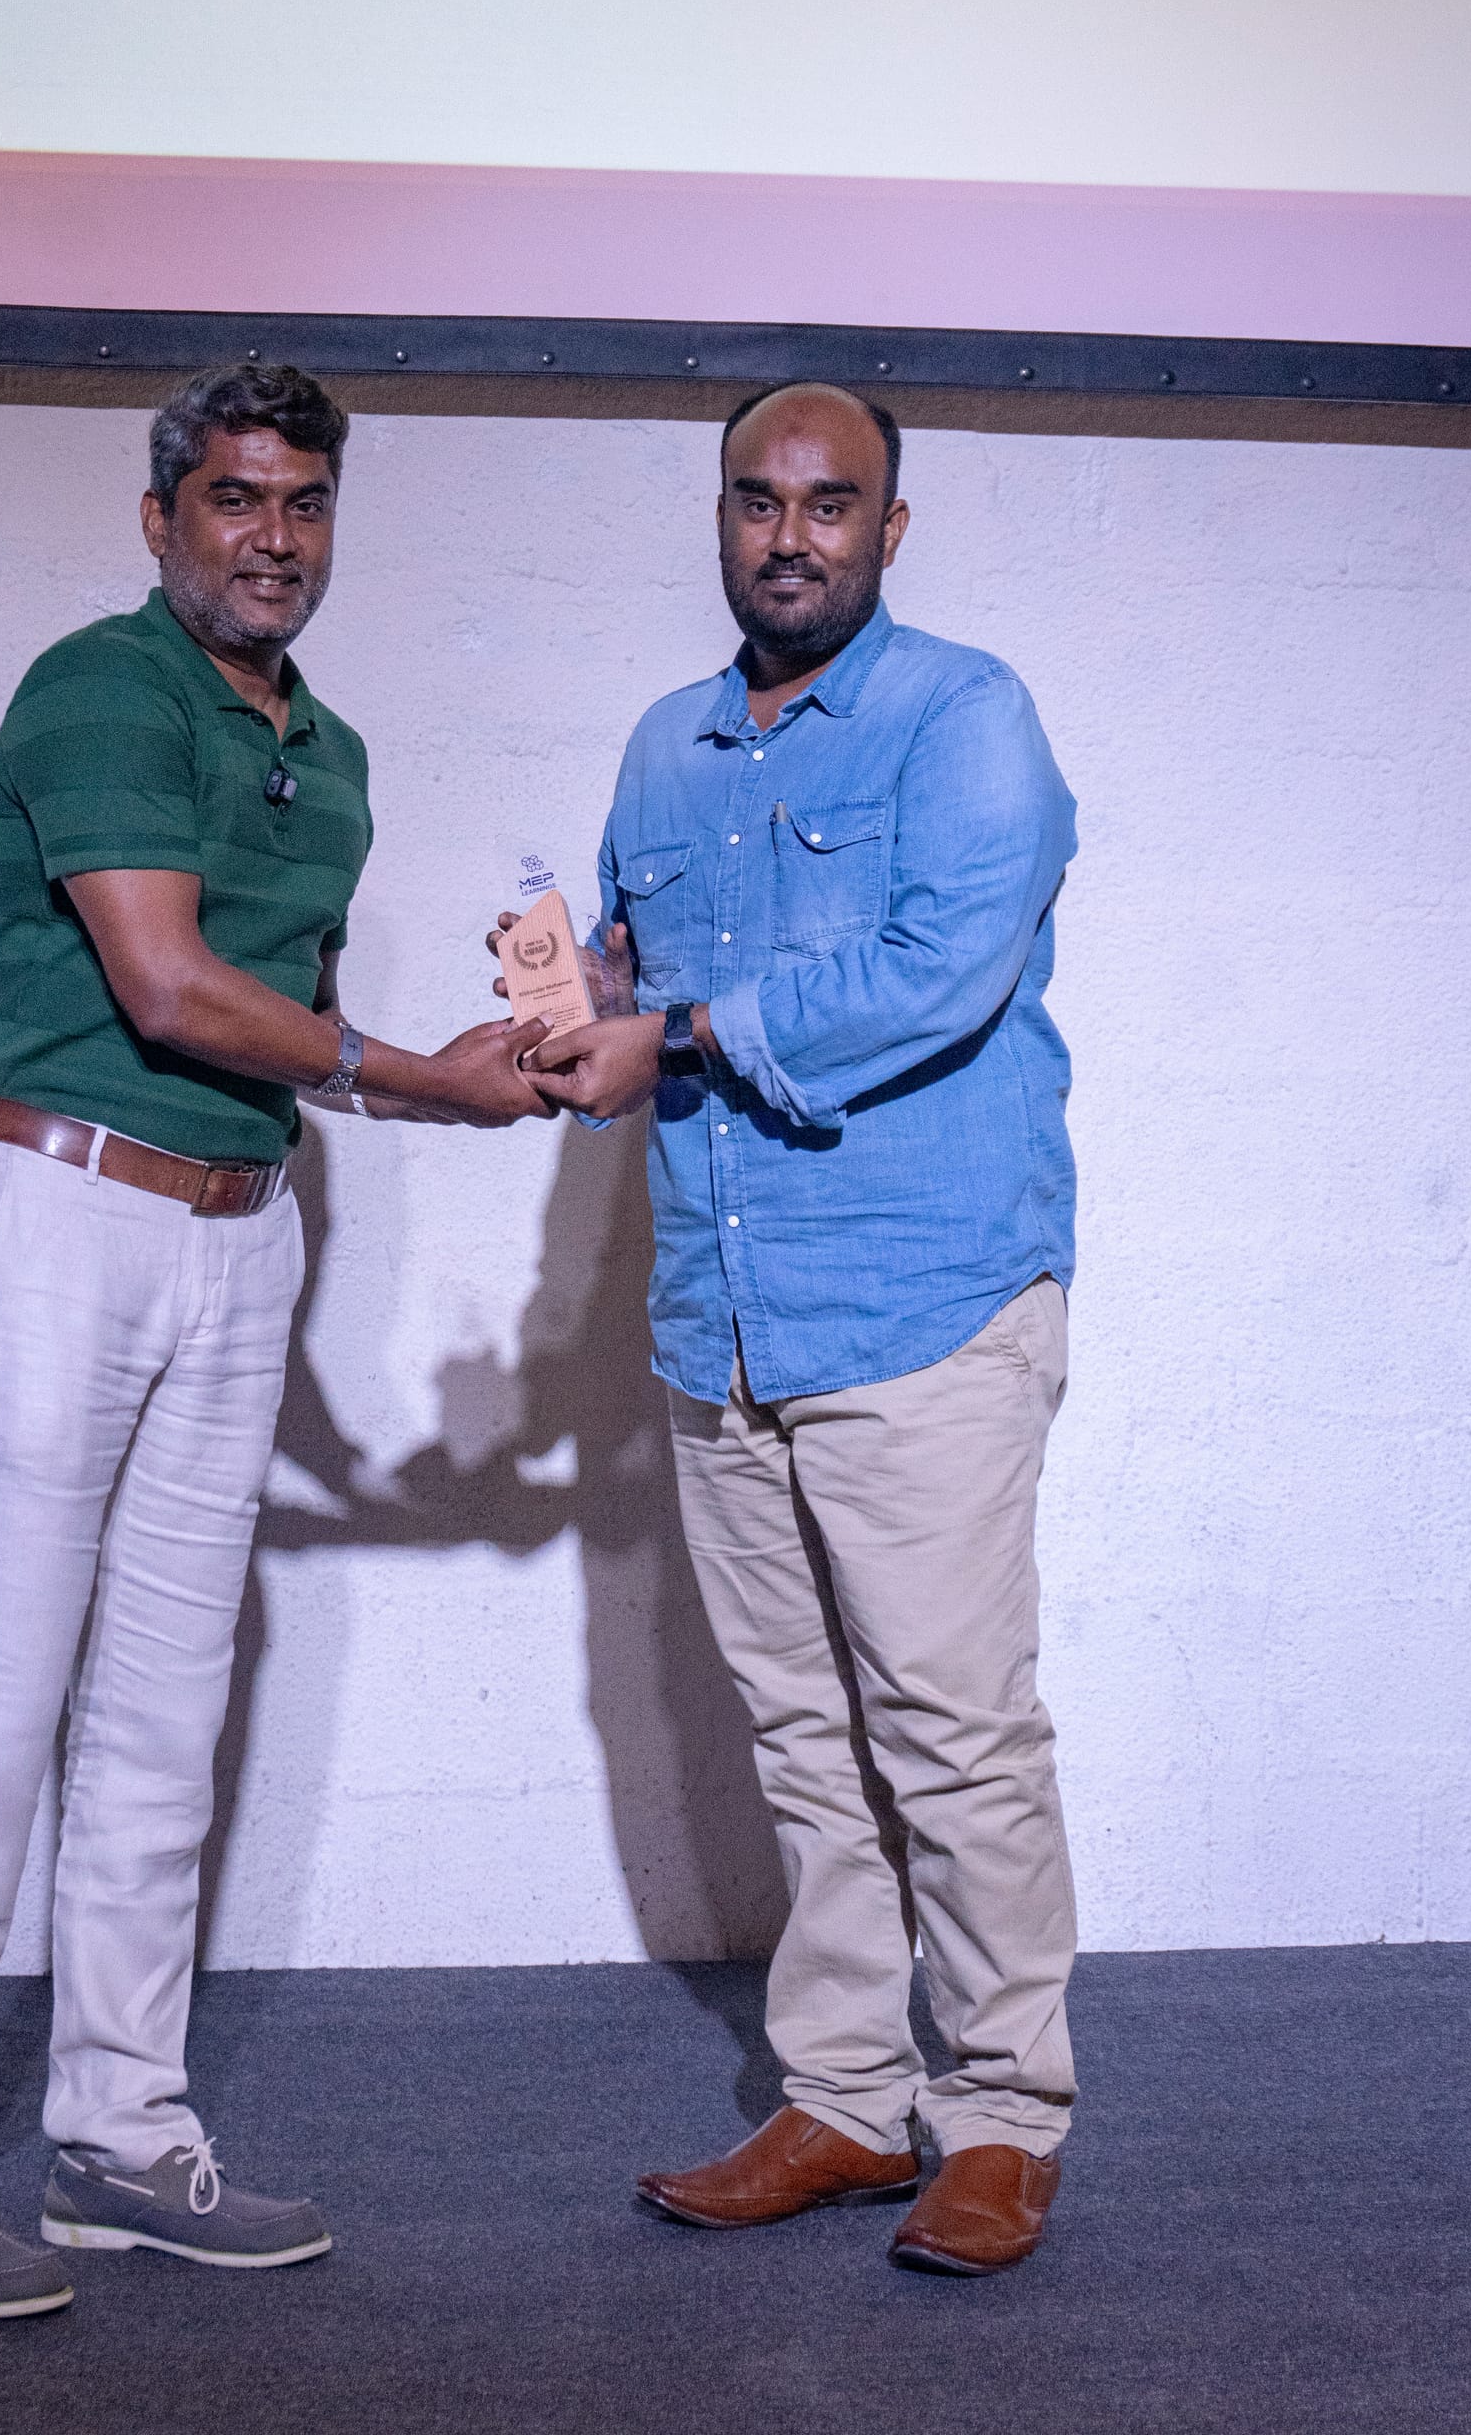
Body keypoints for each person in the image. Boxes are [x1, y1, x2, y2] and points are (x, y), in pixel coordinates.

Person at [0, 362, 550, 2320]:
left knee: (159, 1711)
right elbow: (167, 985)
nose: (272, 538)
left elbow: (285, 1007)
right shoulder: (100, 690)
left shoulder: (337, 749)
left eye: (304, 504)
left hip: (239, 1229)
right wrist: (427, 1082)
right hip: (67, 1209)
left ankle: (122, 2136)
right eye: (235, 498)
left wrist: (514, 1038)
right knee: (0, 1703)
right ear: (161, 519)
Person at [515, 384, 1079, 2278]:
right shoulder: (663, 750)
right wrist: (576, 1004)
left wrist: (667, 1033)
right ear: (721, 518)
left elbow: (937, 975)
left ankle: (1001, 2117)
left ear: (889, 531)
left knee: (951, 1731)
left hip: (922, 1302)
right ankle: (847, 2095)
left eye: (831, 505)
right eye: (758, 500)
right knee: (800, 1734)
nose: (790, 535)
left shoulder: (965, 717)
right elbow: (641, 982)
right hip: (723, 1314)